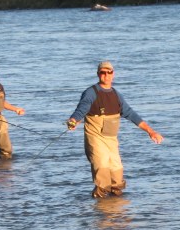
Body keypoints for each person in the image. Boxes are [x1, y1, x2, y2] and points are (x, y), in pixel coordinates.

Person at [66, 61, 163, 198]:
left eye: (109, 72)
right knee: (102, 168)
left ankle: (117, 209)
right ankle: (100, 212)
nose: (106, 75)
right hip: (96, 138)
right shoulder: (90, 93)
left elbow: (131, 114)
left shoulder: (116, 95)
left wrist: (150, 131)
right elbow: (81, 109)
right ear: (98, 74)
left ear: (113, 74)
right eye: (102, 72)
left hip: (111, 140)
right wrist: (73, 120)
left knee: (117, 173)